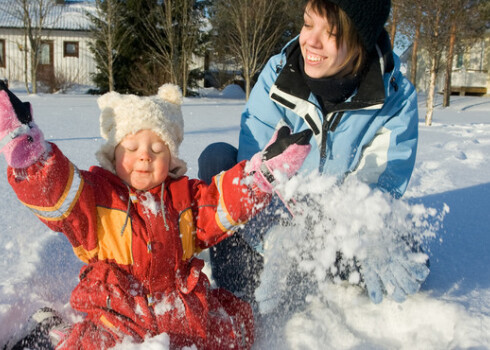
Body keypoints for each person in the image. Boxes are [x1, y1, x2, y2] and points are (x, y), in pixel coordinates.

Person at [0, 81, 311, 349]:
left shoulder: (185, 198)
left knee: (231, 334)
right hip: (118, 307)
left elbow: (222, 205)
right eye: (132, 146)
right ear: (114, 155)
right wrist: (30, 156)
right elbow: (57, 193)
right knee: (100, 344)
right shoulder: (97, 197)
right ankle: (53, 334)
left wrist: (262, 176)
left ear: (171, 157)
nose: (144, 155)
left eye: (156, 148)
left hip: (177, 306)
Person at [198, 0, 429, 307]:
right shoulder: (277, 75)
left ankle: (329, 273)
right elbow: (254, 170)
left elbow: (378, 186)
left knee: (411, 253)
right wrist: (275, 235)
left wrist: (371, 237)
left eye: (331, 32)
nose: (310, 41)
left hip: (336, 233)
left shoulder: (395, 100)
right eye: (308, 24)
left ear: (360, 40)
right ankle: (237, 297)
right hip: (272, 225)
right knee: (218, 160)